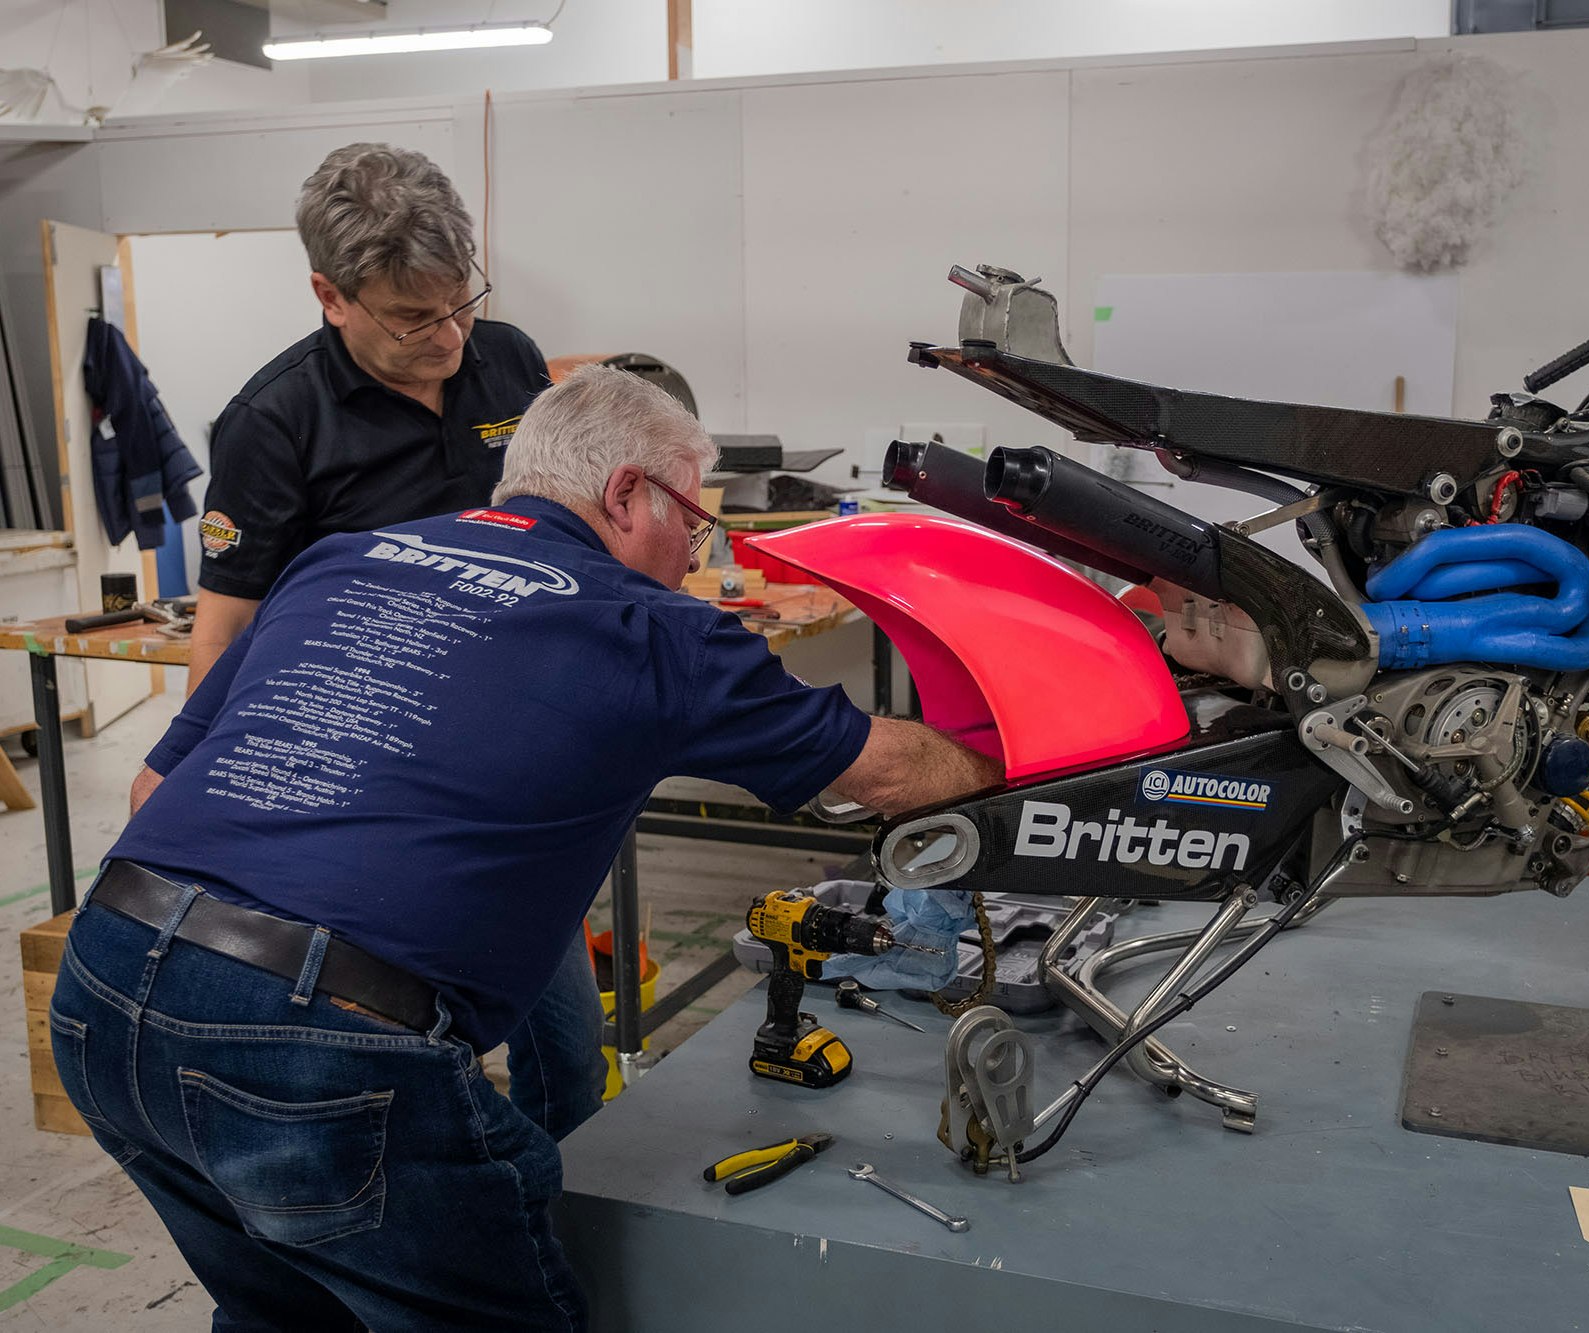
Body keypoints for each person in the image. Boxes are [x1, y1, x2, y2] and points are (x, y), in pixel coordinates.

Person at [54, 364, 1003, 1329]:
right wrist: (1034, 760)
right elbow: (887, 773)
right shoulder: (651, 627)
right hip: (316, 1042)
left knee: (287, 1313)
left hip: (103, 982)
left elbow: (151, 787)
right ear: (627, 492)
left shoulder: (345, 556)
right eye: (693, 519)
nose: (694, 554)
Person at [169, 141, 609, 1142]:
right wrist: (196, 786)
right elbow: (228, 619)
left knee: (568, 1050)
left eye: (461, 300)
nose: (449, 334)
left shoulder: (507, 359)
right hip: (364, 780)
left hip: (511, 766)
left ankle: (571, 1221)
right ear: (331, 295)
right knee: (396, 1055)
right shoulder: (273, 421)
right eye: (414, 316)